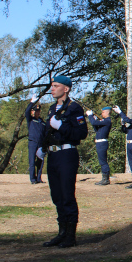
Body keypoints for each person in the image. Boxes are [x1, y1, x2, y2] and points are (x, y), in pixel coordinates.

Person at [36, 75, 88, 248]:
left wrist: (61, 126)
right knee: (56, 195)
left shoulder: (74, 109)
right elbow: (47, 133)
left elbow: (81, 133)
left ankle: (70, 236)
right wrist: (42, 148)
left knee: (67, 195)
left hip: (67, 155)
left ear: (65, 89)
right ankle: (62, 232)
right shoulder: (52, 108)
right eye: (52, 86)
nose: (52, 89)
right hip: (53, 155)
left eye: (56, 86)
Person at [86, 106, 113, 186]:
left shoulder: (107, 121)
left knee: (103, 161)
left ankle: (106, 179)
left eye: (103, 112)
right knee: (101, 161)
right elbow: (96, 129)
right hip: (99, 143)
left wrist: (90, 116)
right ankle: (104, 178)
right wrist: (94, 118)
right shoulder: (104, 121)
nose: (101, 114)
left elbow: (94, 123)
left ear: (107, 112)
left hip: (102, 143)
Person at [25, 94, 46, 184]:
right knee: (32, 162)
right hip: (33, 143)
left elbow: (45, 133)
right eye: (36, 111)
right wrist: (32, 102)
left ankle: (39, 178)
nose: (38, 113)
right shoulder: (31, 120)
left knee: (40, 162)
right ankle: (33, 179)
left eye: (38, 111)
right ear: (32, 112)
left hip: (41, 144)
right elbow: (26, 112)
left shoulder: (42, 122)